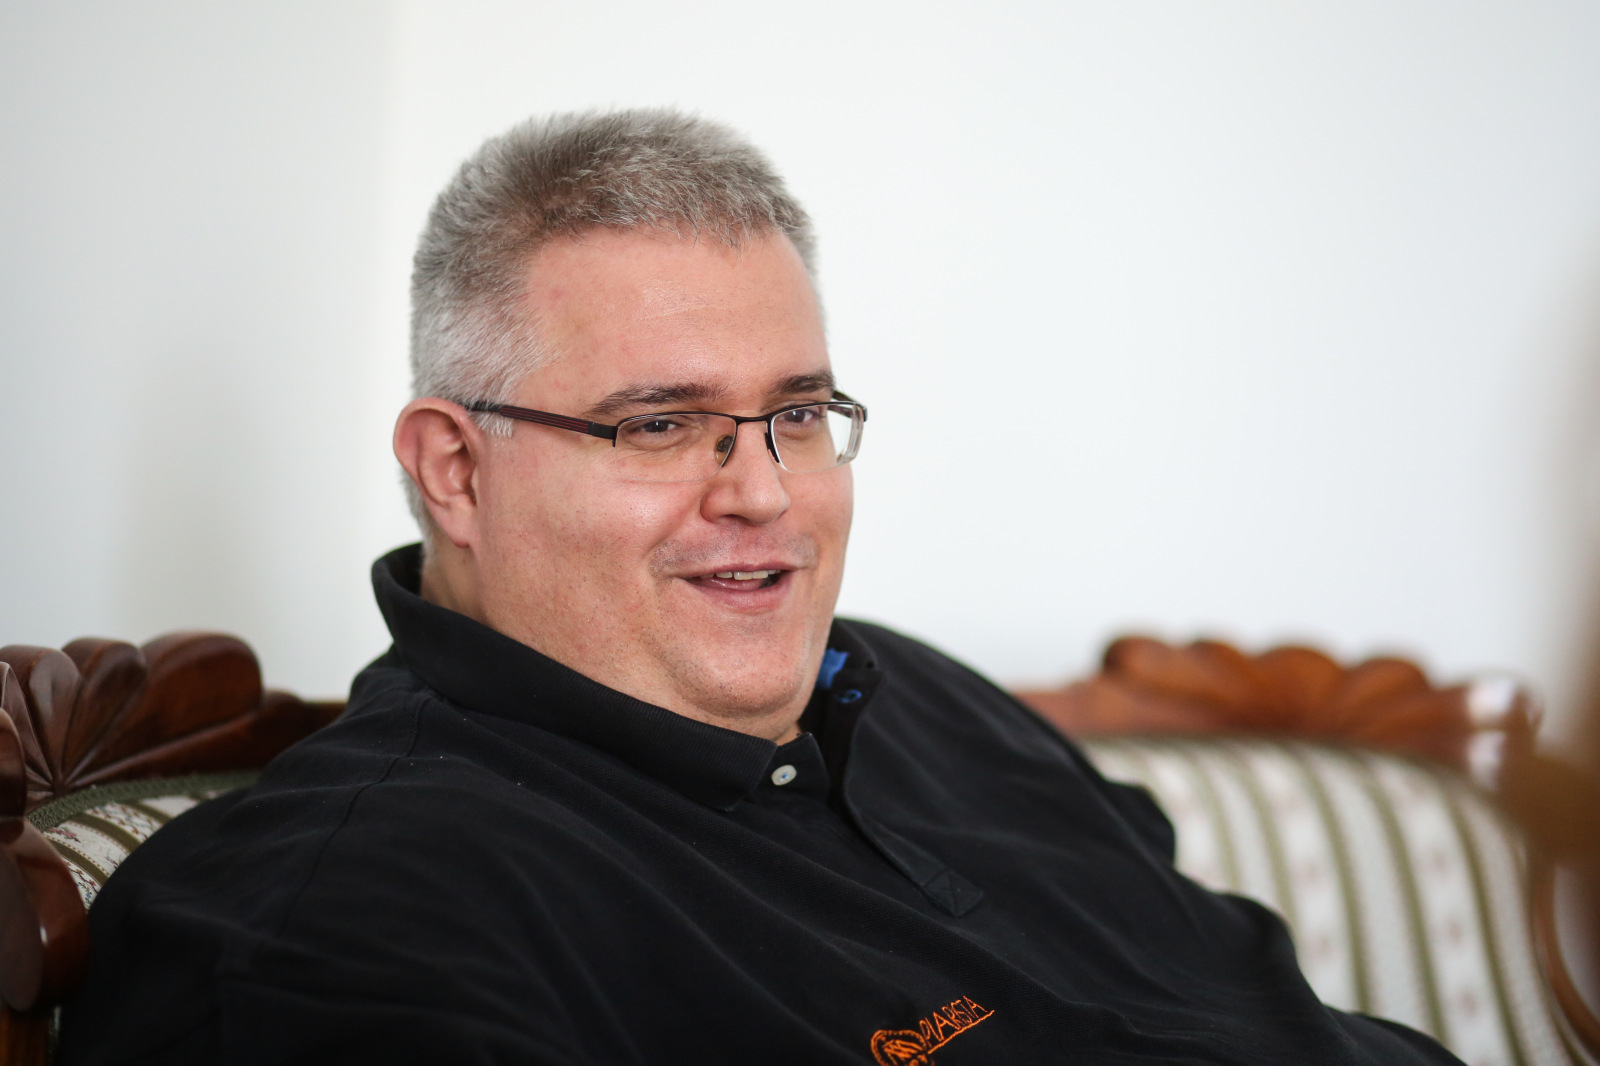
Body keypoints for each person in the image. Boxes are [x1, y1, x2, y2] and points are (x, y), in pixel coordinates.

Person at [59, 110, 1461, 1065]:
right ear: (455, 471)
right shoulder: (348, 914)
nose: (765, 493)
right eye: (662, 424)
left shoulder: (910, 687)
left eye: (797, 414)